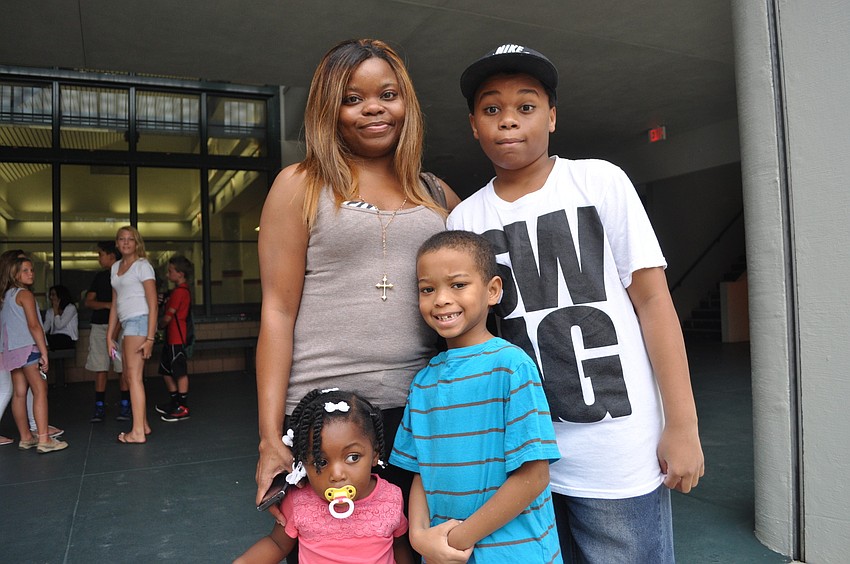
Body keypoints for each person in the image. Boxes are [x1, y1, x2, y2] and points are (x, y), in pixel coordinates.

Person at [447, 44, 705, 563]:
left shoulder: (598, 181)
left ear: (553, 116)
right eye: (491, 109)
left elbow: (654, 303)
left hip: (617, 454)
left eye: (527, 105)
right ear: (474, 125)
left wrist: (683, 426)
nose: (509, 121)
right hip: (523, 457)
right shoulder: (464, 222)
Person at [254, 37, 460, 541]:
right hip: (325, 418)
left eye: (387, 94)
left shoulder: (436, 195)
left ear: (405, 102)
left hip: (420, 415)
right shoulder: (300, 185)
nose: (373, 108)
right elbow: (277, 312)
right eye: (352, 98)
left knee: (417, 547)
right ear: (330, 109)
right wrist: (268, 437)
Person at [390, 230, 562, 562]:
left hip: (515, 554)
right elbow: (419, 472)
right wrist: (420, 537)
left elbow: (534, 476)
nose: (440, 299)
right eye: (428, 289)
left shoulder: (511, 367)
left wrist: (457, 539)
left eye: (458, 285)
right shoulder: (423, 382)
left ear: (493, 290)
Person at [237, 388, 412, 564]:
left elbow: (398, 546)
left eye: (353, 457)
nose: (337, 475)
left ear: (375, 454)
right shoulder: (299, 501)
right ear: (304, 463)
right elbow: (277, 544)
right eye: (321, 462)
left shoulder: (391, 498)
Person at [0, 256, 68, 453]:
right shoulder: (25, 295)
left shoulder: (6, 296)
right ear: (15, 274)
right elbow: (34, 325)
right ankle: (44, 439)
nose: (31, 274)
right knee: (39, 389)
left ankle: (26, 437)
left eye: (31, 270)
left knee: (19, 393)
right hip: (28, 348)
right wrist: (44, 352)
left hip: (11, 350)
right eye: (25, 271)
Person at [107, 226, 158, 444]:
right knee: (129, 377)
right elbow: (115, 304)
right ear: (117, 243)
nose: (126, 242)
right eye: (122, 239)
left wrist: (150, 338)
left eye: (130, 239)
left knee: (134, 377)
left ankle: (137, 432)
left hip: (140, 322)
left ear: (137, 243)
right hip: (127, 323)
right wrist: (110, 334)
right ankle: (143, 425)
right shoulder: (115, 267)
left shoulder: (142, 266)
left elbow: (153, 303)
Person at [85, 241, 127, 423]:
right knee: (100, 366)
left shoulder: (124, 274)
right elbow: (89, 301)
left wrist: (115, 331)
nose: (98, 258)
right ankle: (99, 405)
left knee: (122, 367)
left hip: (122, 326)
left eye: (101, 254)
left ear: (112, 255)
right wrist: (107, 305)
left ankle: (125, 404)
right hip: (100, 326)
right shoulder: (100, 277)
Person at [155, 255, 193, 422]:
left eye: (170, 271)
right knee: (165, 370)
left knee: (179, 371)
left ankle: (183, 406)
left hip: (177, 338)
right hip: (170, 339)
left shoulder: (180, 292)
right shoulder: (176, 292)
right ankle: (174, 400)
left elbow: (168, 317)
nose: (168, 274)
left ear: (180, 273)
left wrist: (157, 326)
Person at [43, 284, 78, 351]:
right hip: (54, 337)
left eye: (53, 295)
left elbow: (59, 325)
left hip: (67, 338)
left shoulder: (70, 308)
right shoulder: (50, 311)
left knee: (51, 339)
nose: (51, 297)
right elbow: (45, 329)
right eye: (50, 295)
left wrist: (56, 311)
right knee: (41, 338)